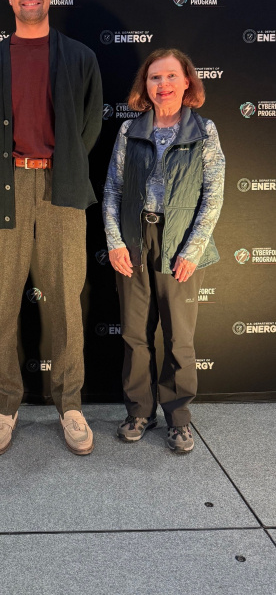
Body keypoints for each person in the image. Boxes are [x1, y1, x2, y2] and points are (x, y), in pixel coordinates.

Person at [0, 0, 103, 456]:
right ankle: (5, 406)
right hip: (7, 188)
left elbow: (87, 126)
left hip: (63, 189)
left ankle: (70, 403)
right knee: (0, 303)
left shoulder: (81, 58)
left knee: (67, 300)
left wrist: (59, 162)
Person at [103, 48, 224, 453]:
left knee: (179, 337)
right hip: (136, 240)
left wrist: (193, 249)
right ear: (146, 85)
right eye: (155, 78)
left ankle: (179, 418)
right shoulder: (129, 131)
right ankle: (139, 411)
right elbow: (113, 190)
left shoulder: (204, 131)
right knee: (136, 334)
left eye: (171, 76)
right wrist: (115, 241)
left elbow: (213, 197)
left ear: (187, 81)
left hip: (181, 242)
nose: (163, 85)